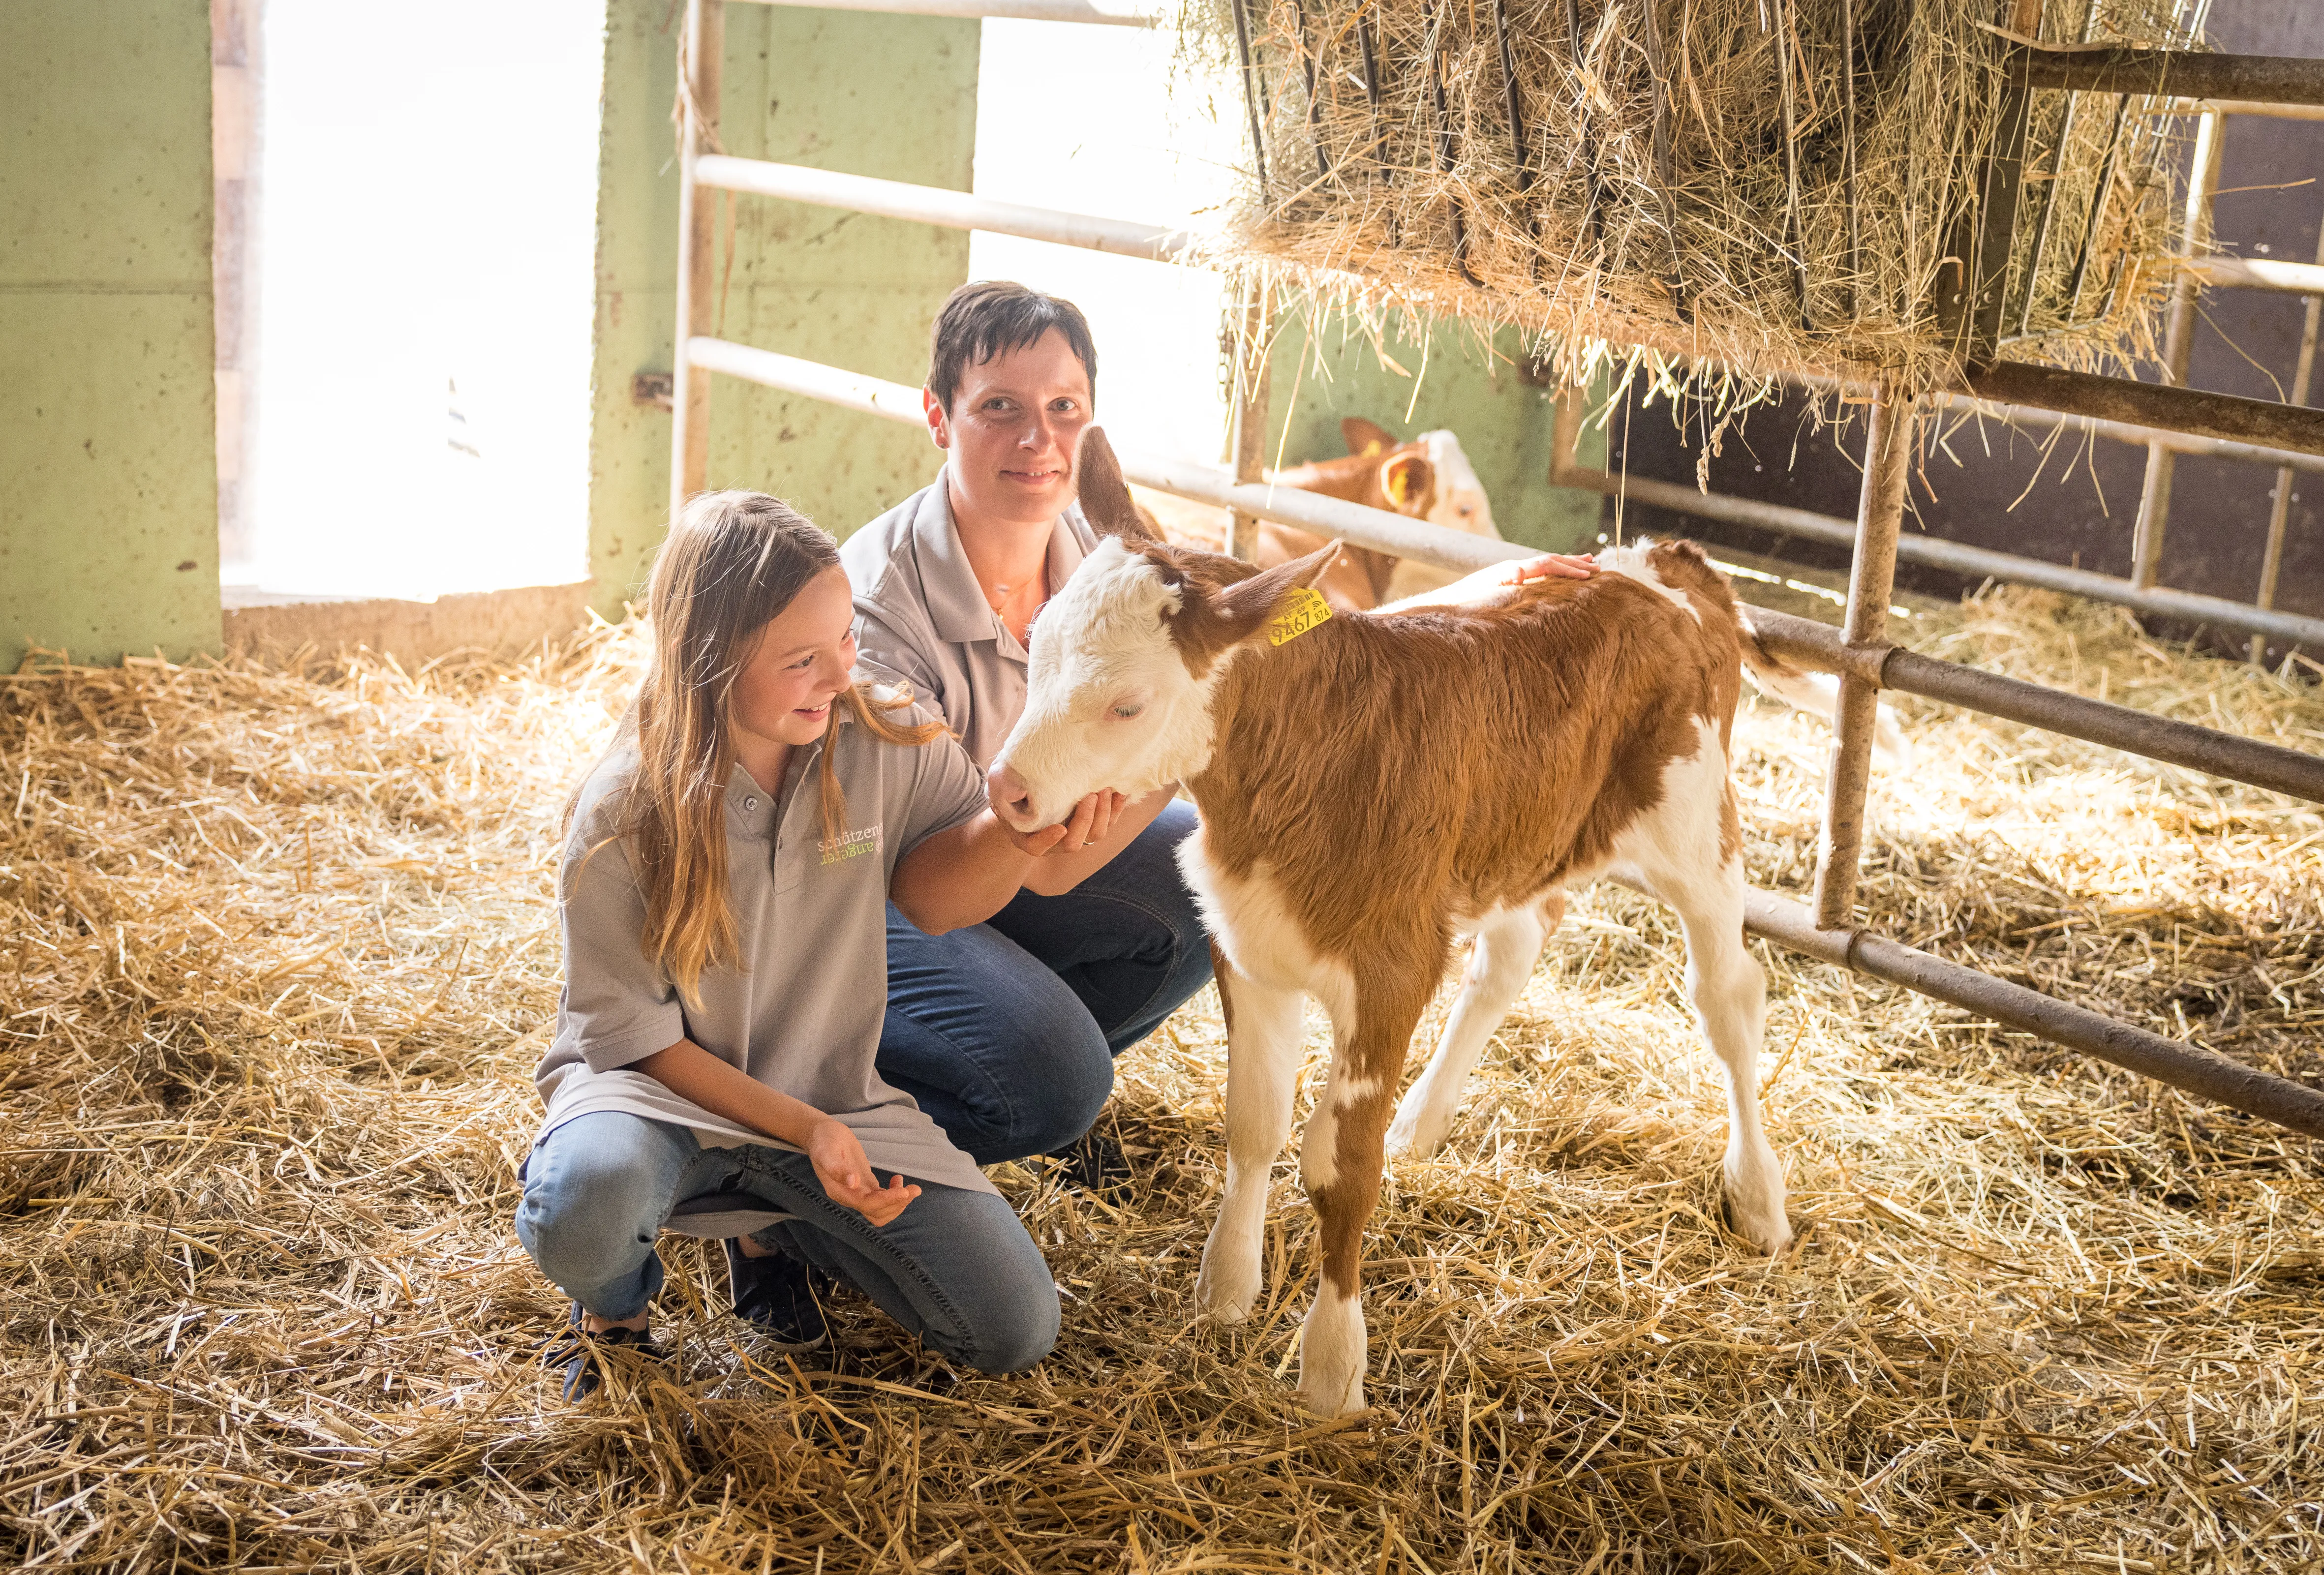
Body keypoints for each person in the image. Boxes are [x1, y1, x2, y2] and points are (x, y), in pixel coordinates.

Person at [841, 280, 1600, 1186]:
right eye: (999, 408)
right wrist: (1102, 779)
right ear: (939, 416)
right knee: (1053, 1074)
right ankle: (836, 1141)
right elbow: (933, 888)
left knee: (1201, 868)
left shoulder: (1104, 541)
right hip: (875, 898)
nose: (1037, 440)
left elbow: (1268, 628)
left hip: (1023, 833)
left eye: (1063, 409)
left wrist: (1482, 598)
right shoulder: (876, 609)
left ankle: (1022, 1071)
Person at [517, 489, 1119, 1398]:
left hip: (830, 1090)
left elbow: (935, 895)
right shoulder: (621, 811)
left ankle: (771, 1228)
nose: (839, 673)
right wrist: (809, 1131)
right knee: (586, 1206)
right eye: (802, 659)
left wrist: (1020, 835)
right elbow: (635, 1040)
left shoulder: (878, 726)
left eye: (843, 640)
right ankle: (616, 1313)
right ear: (710, 663)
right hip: (657, 1099)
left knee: (1014, 1327)